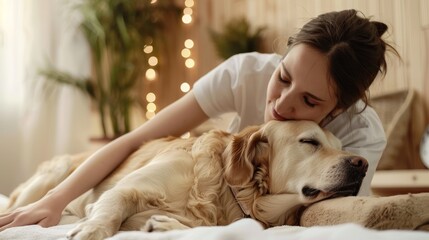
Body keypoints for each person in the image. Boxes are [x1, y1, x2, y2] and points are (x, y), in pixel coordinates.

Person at [0, 9, 398, 230]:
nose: (280, 104)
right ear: (281, 58)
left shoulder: (359, 139)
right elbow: (133, 139)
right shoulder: (245, 74)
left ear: (339, 109)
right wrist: (55, 200)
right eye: (284, 77)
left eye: (309, 100)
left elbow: (316, 213)